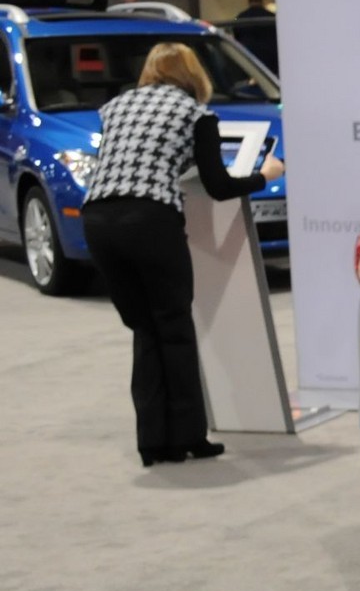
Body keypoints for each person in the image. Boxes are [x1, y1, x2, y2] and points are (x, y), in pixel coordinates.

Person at [80, 42, 285, 465]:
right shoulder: (196, 115)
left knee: (145, 330)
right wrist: (264, 176)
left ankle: (152, 442)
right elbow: (218, 185)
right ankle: (190, 437)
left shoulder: (116, 107)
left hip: (98, 221)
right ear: (194, 75)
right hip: (149, 222)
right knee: (173, 327)